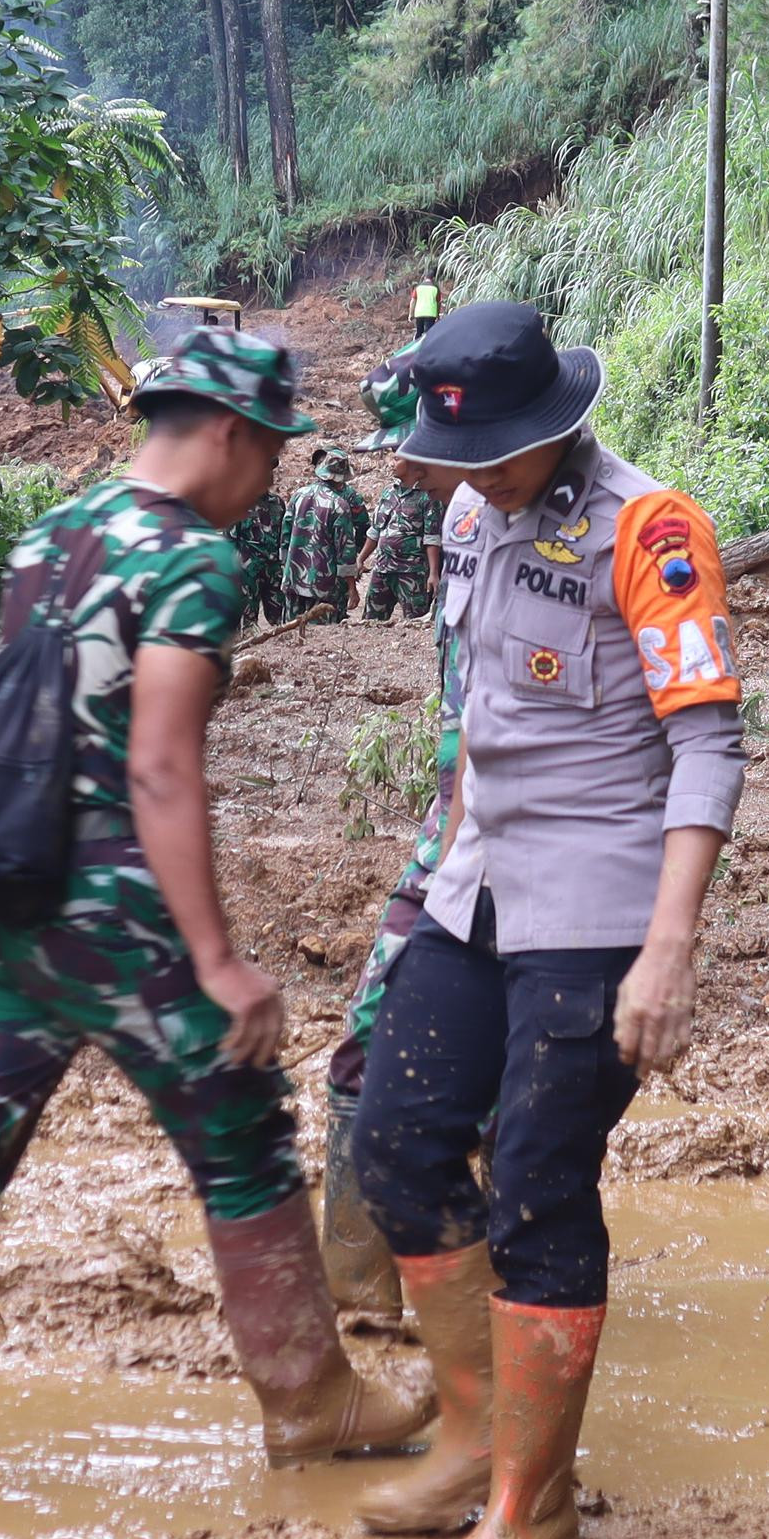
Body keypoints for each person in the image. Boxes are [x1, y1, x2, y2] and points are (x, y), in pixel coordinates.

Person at [0, 329, 430, 1498]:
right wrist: (218, 957)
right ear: (232, 432)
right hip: (121, 911)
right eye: (271, 454)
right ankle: (309, 1398)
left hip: (13, 901)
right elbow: (161, 768)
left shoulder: (53, 534)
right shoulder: (189, 561)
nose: (271, 480)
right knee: (240, 1128)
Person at [352, 302, 743, 1539]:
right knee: (398, 1139)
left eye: (498, 454)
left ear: (558, 426)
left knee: (533, 1183)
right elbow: (475, 721)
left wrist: (668, 950)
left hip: (597, 908)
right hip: (476, 887)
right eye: (459, 457)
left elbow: (705, 744)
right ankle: (474, 1438)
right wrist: (428, 878)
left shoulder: (652, 529)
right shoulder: (469, 515)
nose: (473, 477)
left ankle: (532, 1509)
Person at [319, 364, 482, 1316]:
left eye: (414, 452)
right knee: (367, 1048)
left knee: (504, 1086)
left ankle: (477, 1288)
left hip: (527, 853)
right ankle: (363, 1293)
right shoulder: (460, 521)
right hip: (450, 831)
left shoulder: (581, 529)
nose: (404, 471)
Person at [355, 367, 443, 620]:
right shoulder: (387, 494)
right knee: (370, 622)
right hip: (382, 569)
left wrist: (433, 573)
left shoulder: (427, 496)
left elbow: (432, 538)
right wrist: (362, 559)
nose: (391, 463)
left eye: (396, 459)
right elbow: (375, 531)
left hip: (412, 572)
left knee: (414, 620)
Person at [281, 446, 371, 619]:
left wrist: (286, 568)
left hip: (294, 580)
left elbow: (285, 537)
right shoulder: (339, 505)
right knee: (321, 638)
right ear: (341, 478)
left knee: (291, 633)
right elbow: (345, 553)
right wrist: (352, 589)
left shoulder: (298, 495)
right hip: (324, 586)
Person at [235, 475, 295, 626]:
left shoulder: (277, 503)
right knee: (247, 622)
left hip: (273, 570)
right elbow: (229, 540)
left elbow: (284, 535)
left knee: (280, 620)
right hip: (248, 572)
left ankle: (283, 648)